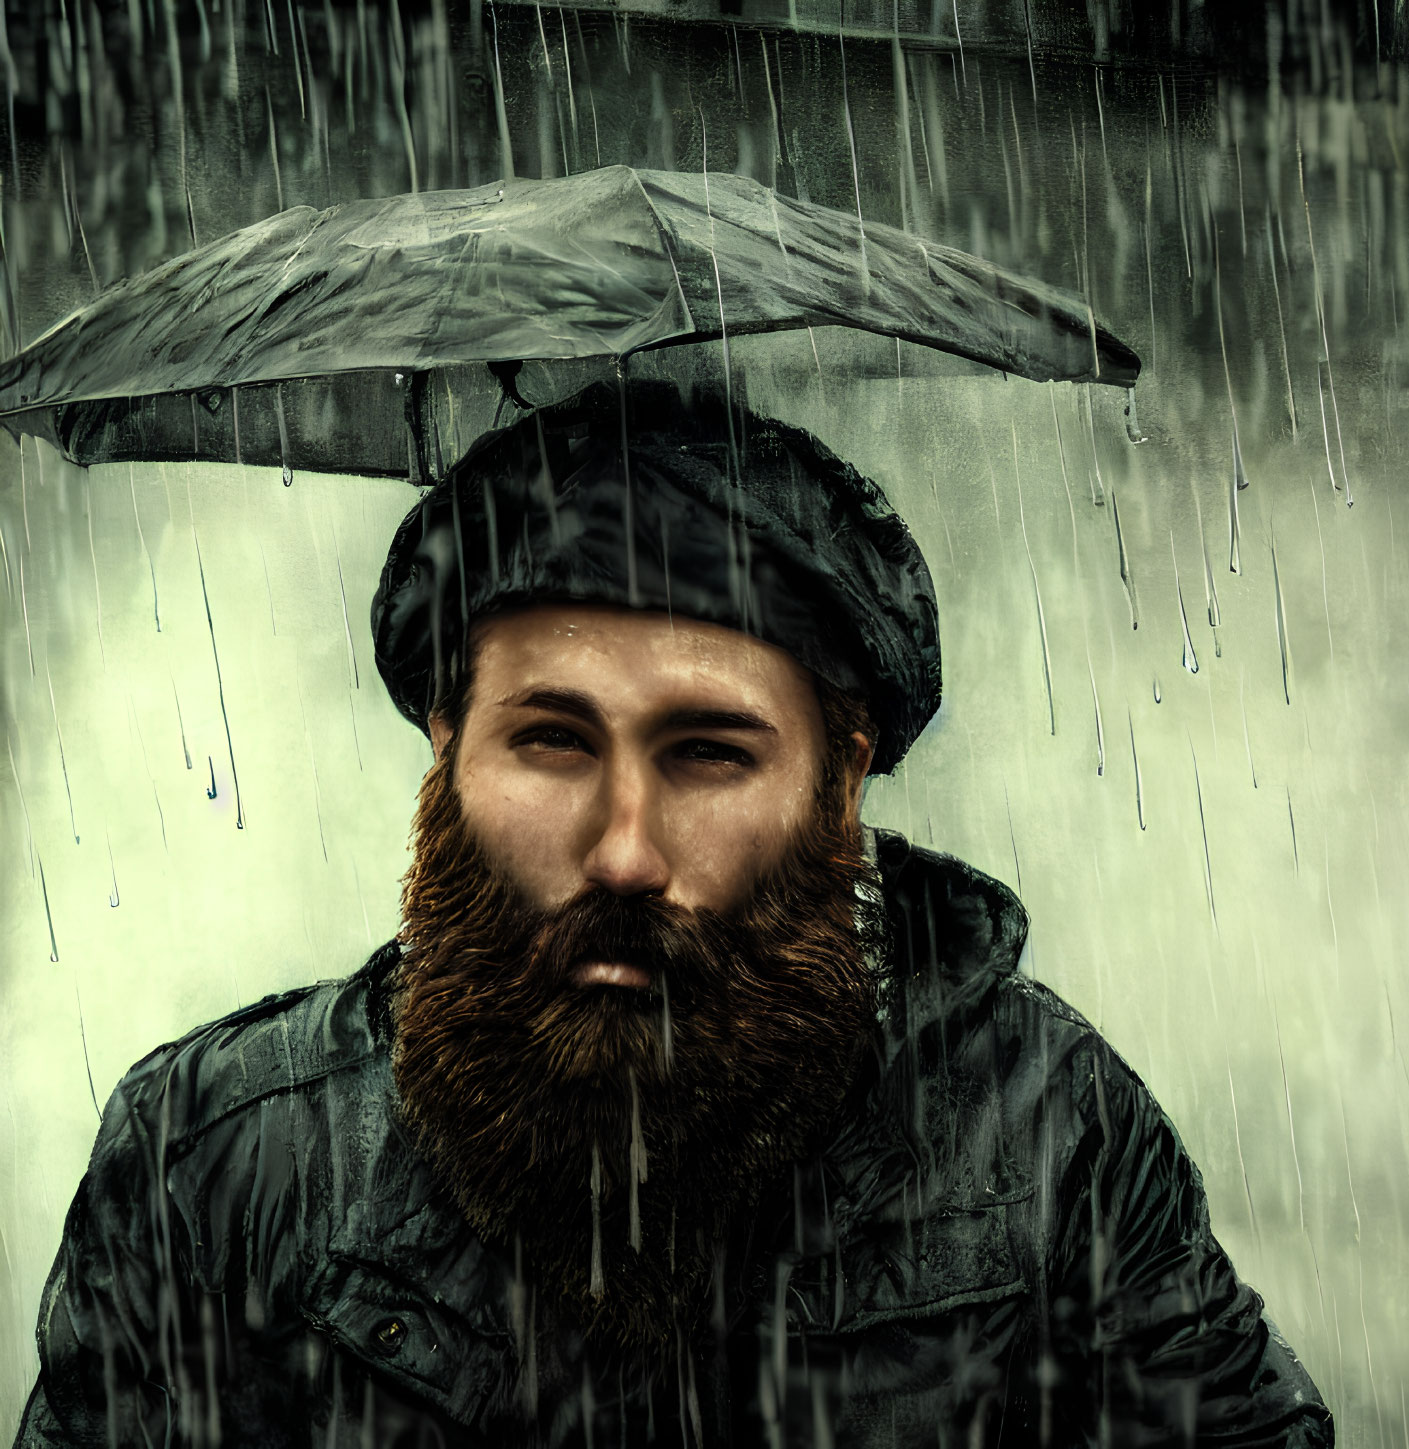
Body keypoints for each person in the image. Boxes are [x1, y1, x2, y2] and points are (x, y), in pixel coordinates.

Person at [14, 381, 1332, 1448]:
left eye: (708, 752)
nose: (626, 849)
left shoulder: (1046, 1137)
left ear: (842, 772)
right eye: (550, 740)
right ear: (444, 749)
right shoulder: (218, 1158)